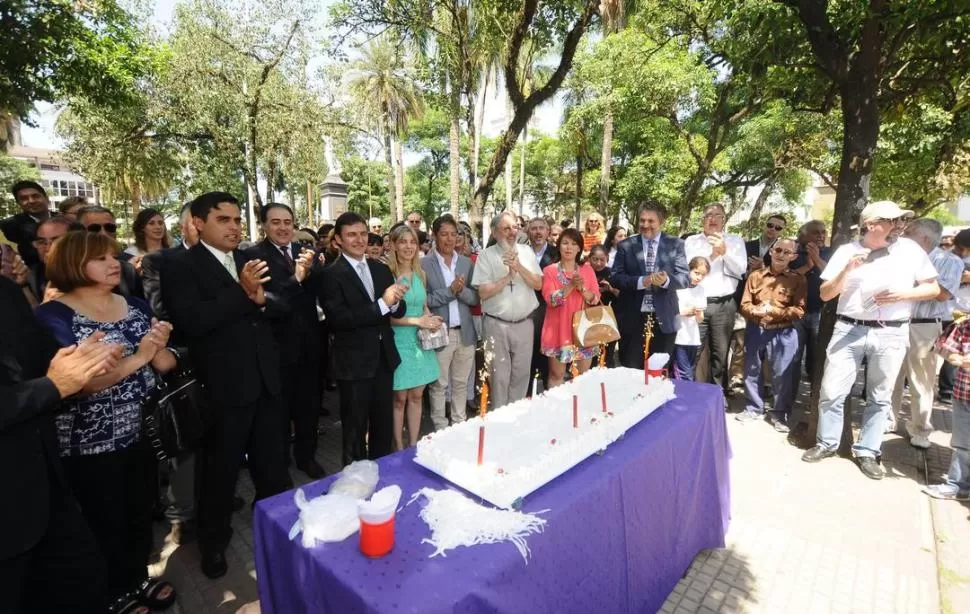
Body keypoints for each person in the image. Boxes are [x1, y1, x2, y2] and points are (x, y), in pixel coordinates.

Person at [35, 231, 178, 613]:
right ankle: (112, 593)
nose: (114, 264)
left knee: (138, 513)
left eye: (113, 256)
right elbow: (78, 383)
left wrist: (161, 345)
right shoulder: (53, 316)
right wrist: (140, 356)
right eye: (100, 258)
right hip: (87, 444)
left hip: (142, 431)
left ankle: (138, 578)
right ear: (72, 263)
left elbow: (163, 362)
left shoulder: (135, 304)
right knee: (102, 520)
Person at [162, 192, 292, 578]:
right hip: (223, 389)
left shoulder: (249, 258)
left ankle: (279, 529)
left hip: (266, 382)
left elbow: (282, 304)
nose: (234, 227)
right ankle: (214, 544)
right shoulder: (179, 266)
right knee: (220, 474)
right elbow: (191, 322)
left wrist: (262, 299)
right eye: (224, 220)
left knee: (273, 466)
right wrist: (241, 292)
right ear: (198, 223)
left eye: (237, 220)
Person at [0, 274, 124, 614]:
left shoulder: (6, 291)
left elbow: (41, 360)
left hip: (46, 485)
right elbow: (47, 385)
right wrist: (53, 386)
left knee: (84, 584)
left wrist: (85, 360)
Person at [802, 201, 940, 480]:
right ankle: (827, 443)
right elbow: (826, 294)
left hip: (891, 331)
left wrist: (903, 295)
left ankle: (867, 450)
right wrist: (847, 270)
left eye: (901, 221)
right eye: (893, 221)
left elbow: (933, 288)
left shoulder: (911, 250)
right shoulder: (847, 251)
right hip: (849, 328)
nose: (899, 226)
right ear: (871, 224)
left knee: (880, 396)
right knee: (832, 391)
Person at [320, 212, 407, 463]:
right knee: (355, 429)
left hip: (383, 358)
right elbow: (338, 320)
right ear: (338, 239)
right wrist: (383, 304)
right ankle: (355, 477)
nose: (359, 240)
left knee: (383, 425)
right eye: (351, 235)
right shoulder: (330, 274)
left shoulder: (381, 269)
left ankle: (382, 471)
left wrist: (394, 302)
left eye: (362, 234)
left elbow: (398, 310)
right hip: (354, 364)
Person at [247, 203, 324, 478]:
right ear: (264, 225)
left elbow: (317, 294)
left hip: (310, 346)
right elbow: (265, 301)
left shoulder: (305, 252)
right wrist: (296, 278)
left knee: (309, 408)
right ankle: (280, 467)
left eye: (287, 222)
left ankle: (307, 457)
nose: (283, 228)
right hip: (276, 349)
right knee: (278, 414)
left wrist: (314, 271)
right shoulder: (252, 256)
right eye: (276, 222)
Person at [139, 203, 198, 545]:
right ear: (188, 225)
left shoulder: (230, 260)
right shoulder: (159, 261)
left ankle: (209, 498)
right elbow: (159, 310)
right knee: (183, 441)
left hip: (219, 361)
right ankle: (180, 515)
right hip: (179, 359)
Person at [890, 218, 962, 447]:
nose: (903, 236)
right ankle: (887, 420)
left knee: (920, 381)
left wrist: (909, 287)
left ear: (924, 238)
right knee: (890, 376)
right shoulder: (899, 257)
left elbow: (943, 294)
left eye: (909, 233)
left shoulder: (949, 261)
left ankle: (921, 429)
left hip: (925, 326)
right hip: (894, 322)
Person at [471, 211, 542, 409]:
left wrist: (518, 267)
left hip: (524, 323)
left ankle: (517, 415)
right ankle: (499, 416)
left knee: (521, 374)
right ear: (494, 233)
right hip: (496, 325)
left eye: (514, 227)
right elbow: (483, 292)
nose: (512, 232)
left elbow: (538, 284)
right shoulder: (485, 256)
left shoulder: (526, 252)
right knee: (499, 376)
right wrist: (508, 277)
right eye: (506, 229)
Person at [737, 238, 806, 431]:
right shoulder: (755, 276)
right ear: (771, 251)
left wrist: (774, 311)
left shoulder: (797, 279)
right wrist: (756, 311)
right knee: (751, 370)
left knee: (782, 375)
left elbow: (800, 310)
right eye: (778, 250)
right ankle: (753, 408)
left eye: (786, 252)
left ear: (793, 257)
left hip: (783, 332)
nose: (781, 254)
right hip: (756, 328)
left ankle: (779, 414)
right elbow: (744, 304)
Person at [611, 200, 689, 370]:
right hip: (632, 318)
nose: (645, 225)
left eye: (651, 221)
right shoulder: (626, 245)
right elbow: (615, 277)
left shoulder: (676, 244)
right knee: (631, 371)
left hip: (664, 319)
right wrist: (641, 281)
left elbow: (684, 278)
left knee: (657, 372)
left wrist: (666, 281)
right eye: (642, 220)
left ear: (662, 221)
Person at [387, 226, 442, 448]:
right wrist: (418, 321)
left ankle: (413, 444)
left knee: (417, 396)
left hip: (420, 342)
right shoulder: (388, 275)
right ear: (393, 245)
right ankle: (398, 446)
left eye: (412, 242)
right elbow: (386, 318)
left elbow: (423, 306)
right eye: (403, 241)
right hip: (398, 342)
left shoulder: (421, 274)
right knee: (399, 398)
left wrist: (431, 320)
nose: (408, 246)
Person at [423, 215, 479, 430]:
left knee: (461, 383)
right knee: (439, 385)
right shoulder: (424, 264)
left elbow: (475, 298)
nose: (449, 239)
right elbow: (425, 300)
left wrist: (460, 290)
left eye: (453, 234)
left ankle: (459, 425)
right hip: (440, 333)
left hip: (465, 333)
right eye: (444, 234)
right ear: (434, 235)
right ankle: (440, 428)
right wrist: (450, 291)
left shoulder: (465, 263)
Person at [685, 203, 747, 391]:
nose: (712, 219)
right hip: (697, 302)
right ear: (702, 220)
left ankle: (717, 393)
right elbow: (691, 269)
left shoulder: (735, 241)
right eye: (708, 215)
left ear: (724, 219)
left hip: (724, 304)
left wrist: (725, 252)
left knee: (720, 353)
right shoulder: (691, 241)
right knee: (693, 350)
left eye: (717, 215)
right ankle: (689, 391)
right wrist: (713, 254)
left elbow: (741, 270)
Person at [540, 228, 601, 387]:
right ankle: (557, 403)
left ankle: (580, 403)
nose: (569, 247)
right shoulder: (549, 271)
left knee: (582, 376)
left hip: (583, 329)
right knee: (556, 374)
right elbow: (551, 300)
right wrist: (570, 286)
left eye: (574, 244)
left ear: (579, 248)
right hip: (558, 329)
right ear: (559, 245)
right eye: (565, 243)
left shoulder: (587, 270)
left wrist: (582, 289)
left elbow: (595, 299)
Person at [925, 319, 970, 500]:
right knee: (963, 444)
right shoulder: (965, 326)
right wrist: (955, 357)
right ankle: (958, 486)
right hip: (964, 393)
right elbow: (945, 349)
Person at [789, 221, 831, 394]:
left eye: (823, 232)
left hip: (819, 313)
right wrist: (807, 266)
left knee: (817, 358)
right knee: (793, 358)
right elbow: (785, 278)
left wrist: (817, 259)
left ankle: (815, 399)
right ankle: (787, 400)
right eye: (816, 232)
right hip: (795, 313)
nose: (821, 236)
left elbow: (834, 276)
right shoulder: (792, 252)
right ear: (803, 235)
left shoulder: (830, 253)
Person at [77, 206, 145, 299]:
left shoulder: (130, 264)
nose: (103, 233)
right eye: (94, 228)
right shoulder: (70, 267)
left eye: (109, 227)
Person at [528, 217, 560, 390]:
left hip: (551, 313)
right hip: (527, 313)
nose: (538, 232)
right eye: (534, 228)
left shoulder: (557, 253)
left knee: (549, 364)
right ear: (528, 232)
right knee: (528, 362)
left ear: (548, 232)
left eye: (541, 228)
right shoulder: (521, 252)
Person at [673, 257, 710, 381]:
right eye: (696, 273)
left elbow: (700, 319)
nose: (699, 277)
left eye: (703, 275)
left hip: (693, 337)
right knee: (684, 373)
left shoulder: (701, 290)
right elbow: (671, 311)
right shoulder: (678, 287)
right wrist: (684, 312)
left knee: (690, 369)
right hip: (679, 336)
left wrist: (697, 313)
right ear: (688, 270)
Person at [24, 216, 74, 304]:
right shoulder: (28, 278)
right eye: (41, 242)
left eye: (57, 241)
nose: (47, 248)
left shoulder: (95, 276)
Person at [2, 180, 52, 265]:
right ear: (18, 203)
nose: (31, 201)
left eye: (35, 196)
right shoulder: (7, 226)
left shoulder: (65, 220)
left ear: (46, 198)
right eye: (24, 198)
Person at [589, 245, 620, 366]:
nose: (598, 263)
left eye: (602, 259)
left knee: (607, 352)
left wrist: (610, 289)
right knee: (590, 352)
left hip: (607, 317)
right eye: (595, 259)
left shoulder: (612, 273)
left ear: (607, 258)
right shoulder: (585, 271)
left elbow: (621, 295)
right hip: (588, 317)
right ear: (589, 258)